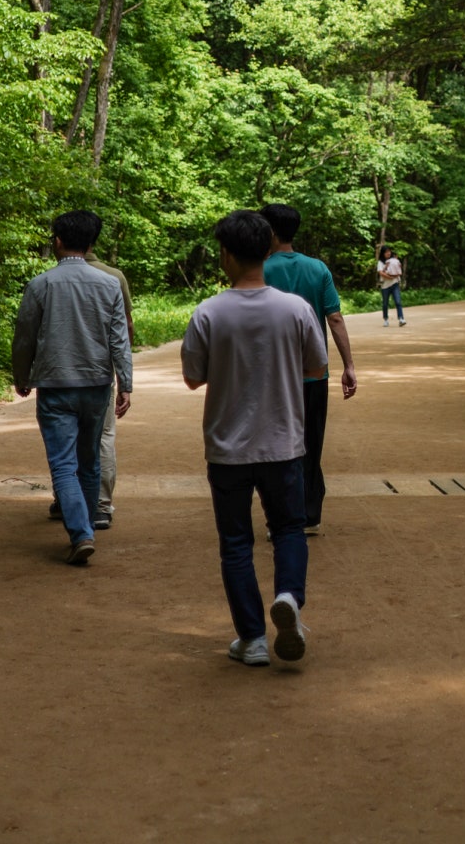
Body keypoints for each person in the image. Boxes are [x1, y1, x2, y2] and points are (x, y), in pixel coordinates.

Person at [181, 210, 328, 667]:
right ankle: (288, 597)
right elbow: (316, 367)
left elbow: (192, 377)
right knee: (288, 528)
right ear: (267, 250)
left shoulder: (208, 312)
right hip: (284, 442)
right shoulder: (296, 309)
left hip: (228, 449)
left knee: (236, 542)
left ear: (225, 255)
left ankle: (252, 639)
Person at [12, 210, 132, 566]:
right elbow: (119, 341)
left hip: (55, 385)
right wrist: (126, 382)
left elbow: (24, 338)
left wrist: (21, 376)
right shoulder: (109, 284)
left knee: (63, 464)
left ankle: (80, 534)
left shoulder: (41, 285)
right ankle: (88, 526)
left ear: (58, 242)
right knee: (90, 461)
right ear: (92, 243)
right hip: (97, 385)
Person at [260, 204, 357, 537]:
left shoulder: (260, 270)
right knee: (311, 445)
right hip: (314, 374)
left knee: (276, 446)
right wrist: (348, 365)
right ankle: (310, 515)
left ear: (270, 232)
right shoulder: (318, 269)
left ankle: (282, 518)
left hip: (274, 378)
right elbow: (335, 318)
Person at [48, 212, 135, 530]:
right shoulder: (114, 277)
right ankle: (100, 507)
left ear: (59, 240)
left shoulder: (49, 280)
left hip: (58, 374)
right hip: (99, 374)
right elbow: (125, 327)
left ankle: (66, 502)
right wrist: (123, 375)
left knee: (63, 442)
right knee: (103, 438)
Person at [377, 245, 406, 327]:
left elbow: (399, 270)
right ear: (383, 253)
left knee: (398, 301)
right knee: (385, 303)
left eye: (389, 251)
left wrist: (395, 275)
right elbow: (381, 273)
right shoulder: (380, 262)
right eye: (386, 252)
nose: (388, 253)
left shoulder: (394, 260)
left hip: (395, 284)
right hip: (385, 286)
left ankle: (401, 318)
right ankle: (385, 319)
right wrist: (391, 277)